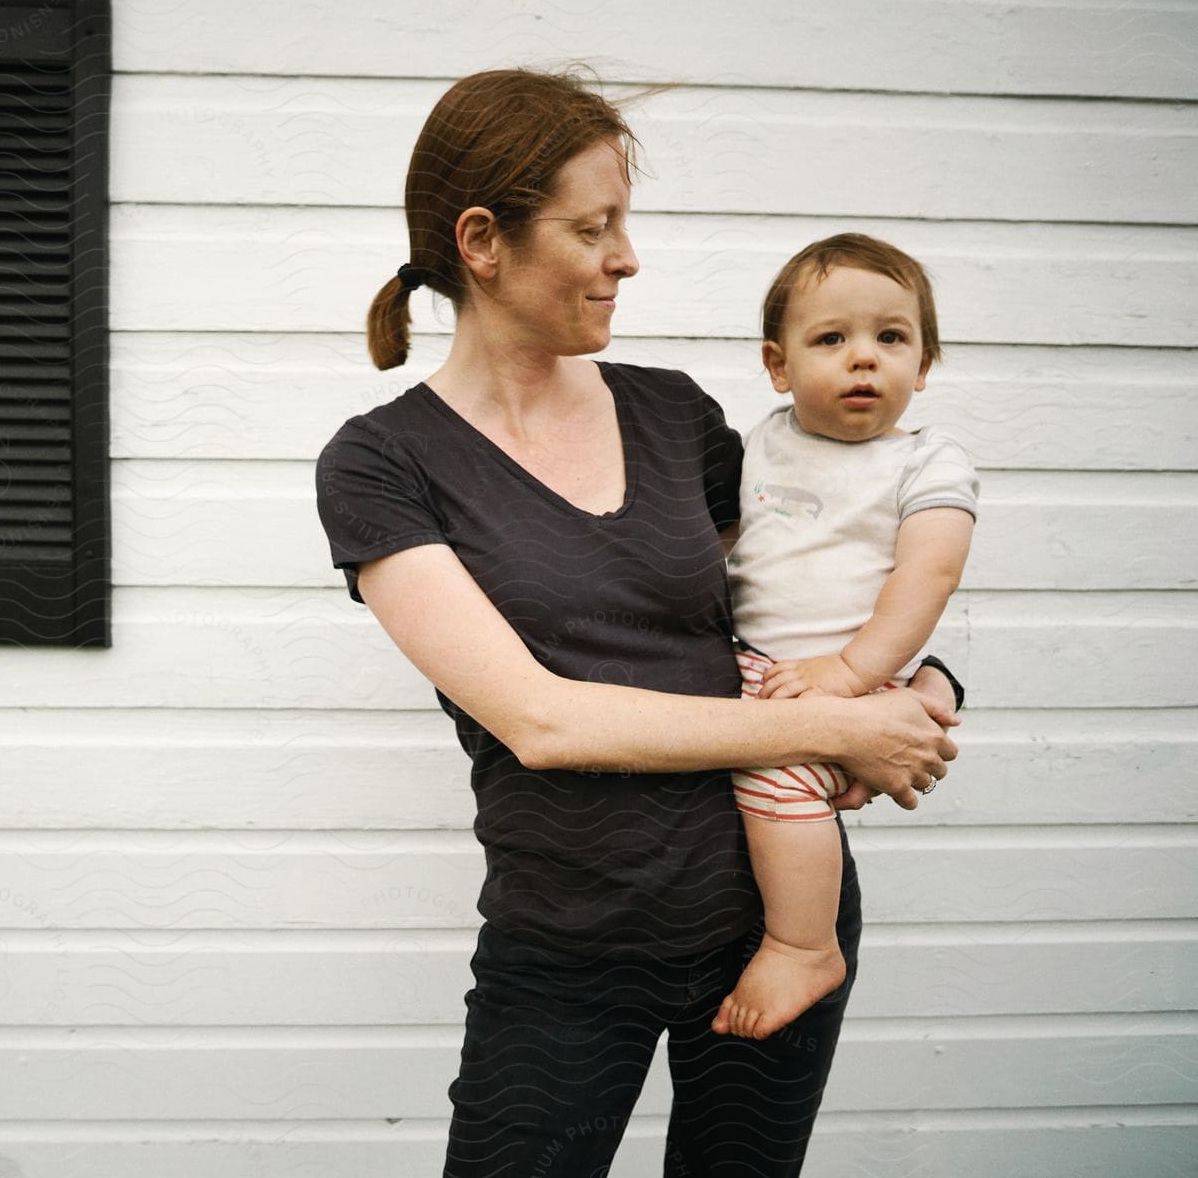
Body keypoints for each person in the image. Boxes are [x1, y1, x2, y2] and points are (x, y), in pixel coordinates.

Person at [313, 69, 963, 1177]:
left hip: (771, 921)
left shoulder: (675, 415)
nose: (628, 256)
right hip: (567, 944)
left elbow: (798, 586)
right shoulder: (384, 464)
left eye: (627, 222)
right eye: (594, 226)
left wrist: (922, 686)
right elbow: (543, 722)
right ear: (482, 240)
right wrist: (831, 732)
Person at [712, 234, 978, 1042]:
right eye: (832, 339)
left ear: (924, 363)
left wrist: (852, 672)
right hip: (764, 664)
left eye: (890, 338)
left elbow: (926, 578)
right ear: (778, 364)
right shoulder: (756, 442)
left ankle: (804, 944)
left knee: (772, 771)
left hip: (859, 671)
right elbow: (726, 547)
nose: (864, 359)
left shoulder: (927, 463)